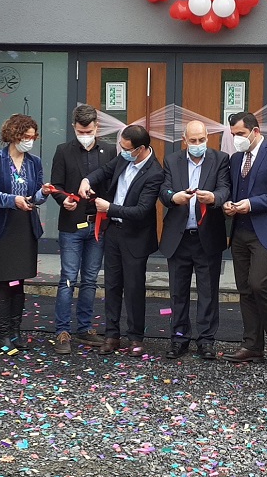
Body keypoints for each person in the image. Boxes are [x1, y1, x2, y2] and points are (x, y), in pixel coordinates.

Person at [79, 124, 164, 357]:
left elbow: (143, 210)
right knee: (112, 285)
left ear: (142, 148)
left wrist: (110, 208)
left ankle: (136, 338)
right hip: (114, 233)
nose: (124, 152)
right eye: (122, 148)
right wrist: (87, 180)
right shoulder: (123, 159)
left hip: (135, 236)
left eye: (128, 149)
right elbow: (103, 172)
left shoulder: (155, 172)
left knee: (134, 288)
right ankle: (112, 335)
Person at [222, 112, 267, 366]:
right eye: (233, 135)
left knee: (259, 283)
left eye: (240, 134)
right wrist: (229, 205)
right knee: (244, 288)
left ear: (255, 131)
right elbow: (232, 190)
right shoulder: (235, 159)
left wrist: (251, 204)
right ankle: (251, 344)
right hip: (240, 231)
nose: (236, 139)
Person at [0, 114, 52, 351]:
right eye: (25, 136)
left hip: (24, 226)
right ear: (13, 135)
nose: (29, 141)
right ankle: (3, 334)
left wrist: (44, 193)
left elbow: (35, 195)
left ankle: (16, 331)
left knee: (19, 282)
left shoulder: (34, 162)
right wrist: (13, 200)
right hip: (1, 226)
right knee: (3, 281)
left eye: (32, 137)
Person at [159, 120, 231, 360]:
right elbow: (164, 192)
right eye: (193, 140)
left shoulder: (220, 159)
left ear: (207, 138)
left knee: (207, 291)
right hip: (179, 237)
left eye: (201, 140)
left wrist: (213, 198)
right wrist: (174, 197)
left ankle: (206, 340)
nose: (198, 144)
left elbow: (225, 189)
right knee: (178, 292)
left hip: (207, 235)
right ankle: (179, 338)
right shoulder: (171, 160)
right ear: (184, 140)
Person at [49, 105, 116, 354]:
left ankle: (85, 327)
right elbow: (56, 185)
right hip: (71, 225)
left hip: (98, 224)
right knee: (68, 278)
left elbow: (112, 184)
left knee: (90, 279)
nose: (84, 134)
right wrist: (62, 199)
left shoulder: (109, 150)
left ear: (96, 127)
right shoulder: (63, 151)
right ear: (73, 128)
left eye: (88, 130)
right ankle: (62, 330)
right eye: (80, 131)